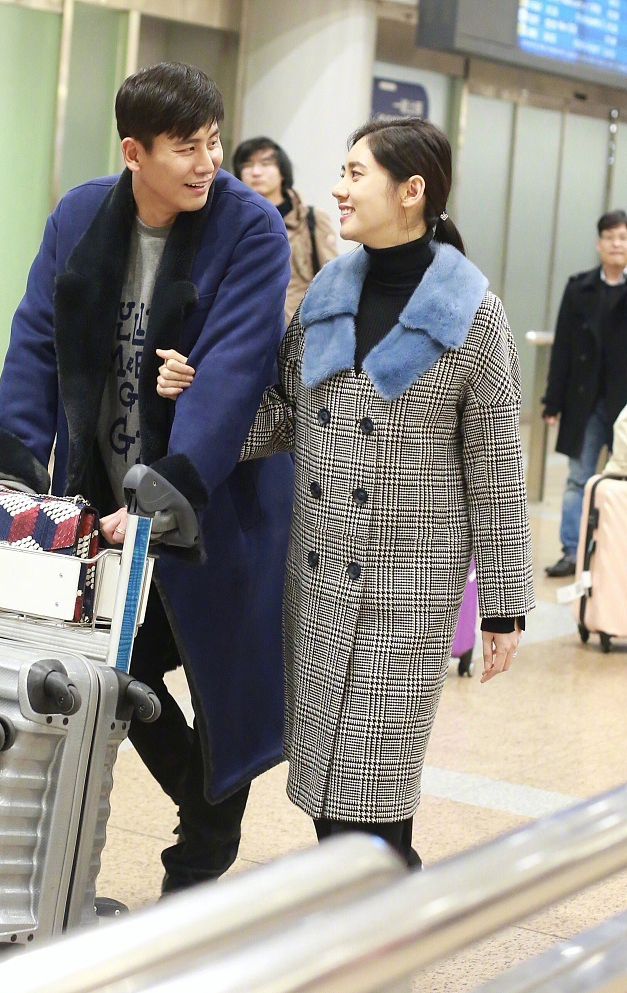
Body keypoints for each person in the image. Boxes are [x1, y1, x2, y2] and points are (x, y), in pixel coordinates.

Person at [157, 117, 535, 867]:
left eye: (356, 173)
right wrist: (202, 394)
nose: (338, 188)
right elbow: (284, 416)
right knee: (331, 794)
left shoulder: (473, 313)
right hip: (319, 580)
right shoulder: (328, 291)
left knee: (373, 796)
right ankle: (375, 912)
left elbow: (497, 466)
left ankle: (390, 912)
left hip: (409, 593)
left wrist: (503, 603)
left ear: (412, 191)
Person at [0, 62, 293, 892]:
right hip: (103, 505)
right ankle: (204, 812)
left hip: (216, 510)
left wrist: (166, 488)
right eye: (186, 147)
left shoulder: (250, 228)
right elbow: (36, 338)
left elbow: (234, 371)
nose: (207, 162)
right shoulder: (81, 216)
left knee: (224, 694)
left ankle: (194, 871)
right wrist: (11, 464)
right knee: (115, 673)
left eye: (213, 142)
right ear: (133, 152)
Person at [543, 210, 627, 577]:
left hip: (624, 405)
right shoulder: (579, 288)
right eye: (610, 237)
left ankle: (617, 557)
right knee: (578, 479)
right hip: (585, 401)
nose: (616, 244)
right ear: (599, 243)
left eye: (623, 237)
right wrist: (552, 400)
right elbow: (562, 347)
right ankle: (571, 552)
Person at [232, 137, 338, 324]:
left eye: (266, 163)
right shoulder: (231, 222)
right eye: (247, 165)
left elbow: (333, 281)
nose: (256, 172)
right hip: (246, 328)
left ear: (282, 172)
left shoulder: (311, 219)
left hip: (297, 330)